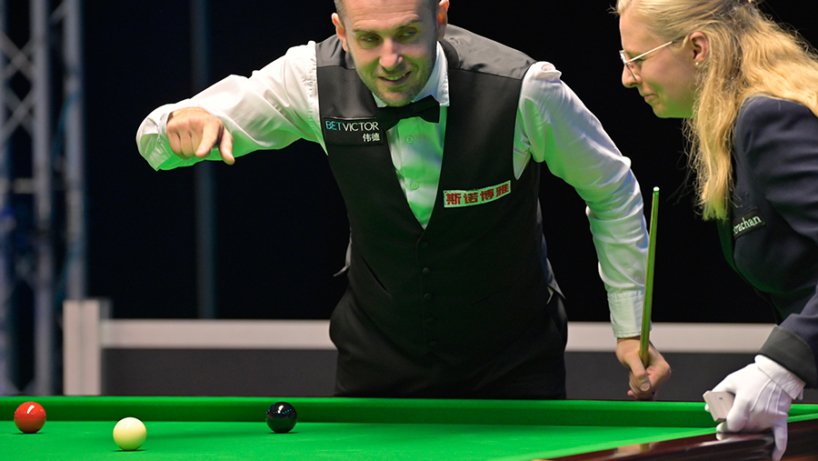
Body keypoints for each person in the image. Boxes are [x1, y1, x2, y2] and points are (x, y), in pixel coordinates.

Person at [137, 0, 671, 400]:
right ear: (340, 31)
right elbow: (156, 136)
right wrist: (179, 124)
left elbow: (611, 187)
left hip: (513, 365)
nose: (389, 59)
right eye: (369, 39)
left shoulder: (523, 89)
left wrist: (630, 328)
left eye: (408, 34)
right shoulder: (311, 79)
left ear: (440, 18)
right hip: (377, 362)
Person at [615, 0, 818, 459]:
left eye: (636, 58)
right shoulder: (747, 122)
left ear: (698, 48)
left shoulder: (767, 117)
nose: (627, 77)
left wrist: (781, 367)